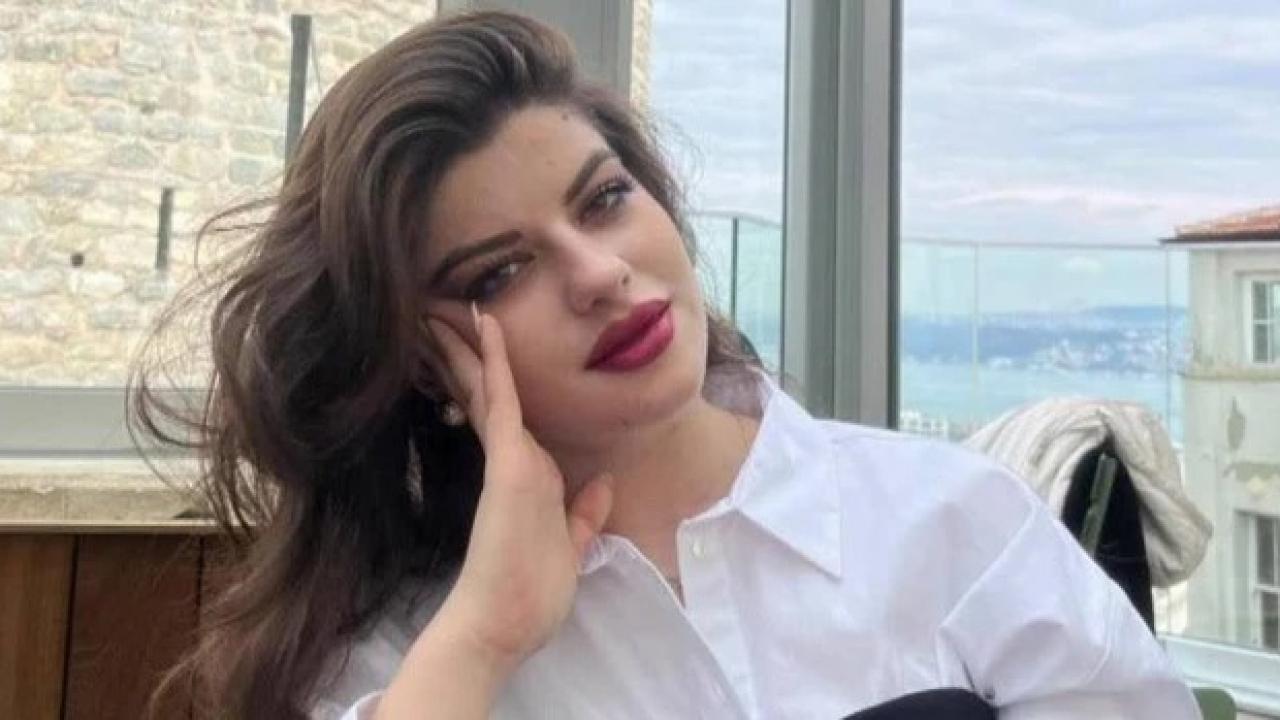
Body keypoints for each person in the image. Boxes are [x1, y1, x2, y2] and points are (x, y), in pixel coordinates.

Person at [130, 10, 1200, 720]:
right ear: (424, 361)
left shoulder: (952, 523)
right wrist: (485, 640)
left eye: (604, 200)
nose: (599, 274)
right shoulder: (409, 660)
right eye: (501, 271)